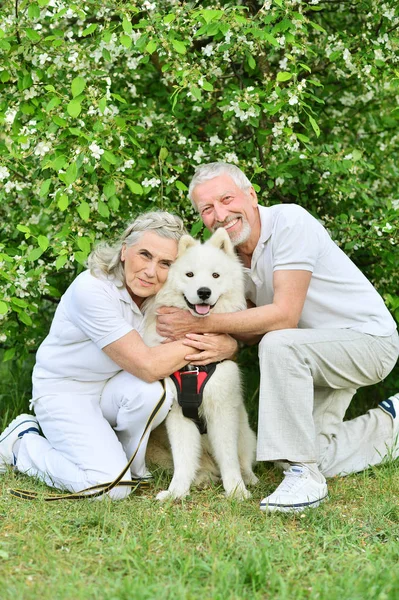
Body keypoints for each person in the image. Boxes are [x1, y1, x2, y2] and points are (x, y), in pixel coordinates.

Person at [157, 162, 399, 513]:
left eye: (227, 199)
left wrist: (198, 326)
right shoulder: (229, 257)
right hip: (311, 354)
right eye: (207, 209)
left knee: (279, 342)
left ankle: (304, 477)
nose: (220, 214)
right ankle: (391, 425)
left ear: (251, 195)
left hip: (367, 342)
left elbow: (284, 316)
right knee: (315, 452)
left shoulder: (290, 223)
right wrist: (229, 342)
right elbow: (249, 327)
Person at [0, 211, 237, 499]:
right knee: (109, 489)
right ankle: (21, 444)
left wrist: (228, 343)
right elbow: (149, 365)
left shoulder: (162, 294)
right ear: (124, 250)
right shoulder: (92, 290)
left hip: (115, 388)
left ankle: (124, 462)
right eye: (144, 255)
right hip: (67, 393)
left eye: (165, 263)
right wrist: (217, 343)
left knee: (157, 392)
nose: (151, 271)